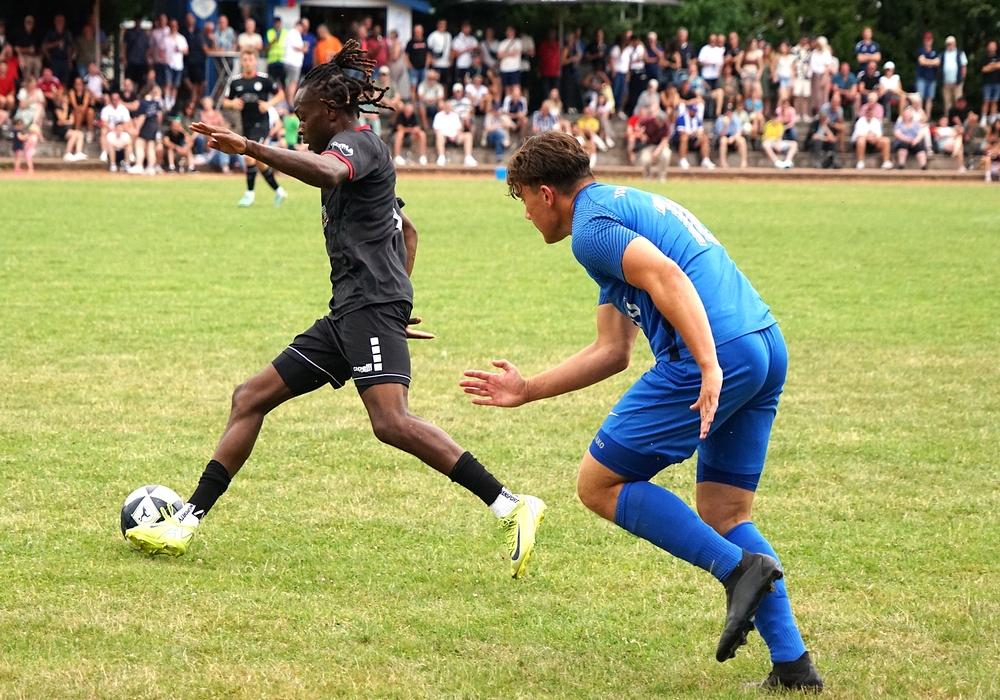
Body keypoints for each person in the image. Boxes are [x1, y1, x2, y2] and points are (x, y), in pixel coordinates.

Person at [129, 41, 547, 583]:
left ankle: (512, 505)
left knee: (391, 422)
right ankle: (186, 522)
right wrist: (398, 303)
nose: (298, 126)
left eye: (302, 116)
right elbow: (408, 231)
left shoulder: (356, 145)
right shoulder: (357, 152)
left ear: (330, 110)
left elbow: (328, 174)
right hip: (353, 311)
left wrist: (250, 147)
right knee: (249, 397)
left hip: (367, 308)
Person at [463, 131, 823, 692]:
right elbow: (613, 350)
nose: (526, 214)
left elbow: (667, 277)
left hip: (716, 355)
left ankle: (737, 570)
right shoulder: (620, 208)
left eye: (524, 200)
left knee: (597, 485)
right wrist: (527, 389)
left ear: (546, 193)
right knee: (726, 513)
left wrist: (708, 365)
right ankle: (794, 668)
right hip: (763, 345)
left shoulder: (592, 230)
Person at [223, 50, 288, 207]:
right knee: (258, 161)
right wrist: (232, 104)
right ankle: (279, 191)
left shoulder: (264, 80)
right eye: (245, 60)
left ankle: (249, 194)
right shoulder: (236, 82)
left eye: (250, 59)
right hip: (247, 125)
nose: (248, 63)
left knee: (248, 156)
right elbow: (225, 102)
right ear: (241, 62)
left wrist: (268, 104)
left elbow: (280, 95)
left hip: (261, 124)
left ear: (255, 62)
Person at [851, 97, 893, 169]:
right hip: (860, 142)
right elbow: (860, 135)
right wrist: (869, 137)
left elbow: (879, 135)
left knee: (886, 140)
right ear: (865, 113)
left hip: (873, 142)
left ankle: (886, 162)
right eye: (868, 113)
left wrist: (873, 138)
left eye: (871, 113)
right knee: (861, 140)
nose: (869, 114)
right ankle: (860, 162)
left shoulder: (876, 121)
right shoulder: (860, 121)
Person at [713, 103, 747, 168]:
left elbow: (739, 131)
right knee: (723, 140)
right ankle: (723, 162)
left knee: (742, 140)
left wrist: (733, 138)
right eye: (727, 111)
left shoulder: (736, 118)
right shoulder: (720, 119)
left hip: (733, 138)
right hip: (723, 138)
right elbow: (720, 134)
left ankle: (744, 162)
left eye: (730, 111)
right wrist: (725, 126)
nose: (728, 112)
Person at [941, 36, 968, 116]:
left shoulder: (960, 53)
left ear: (954, 44)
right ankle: (948, 117)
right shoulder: (943, 54)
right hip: (946, 81)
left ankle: (959, 117)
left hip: (957, 81)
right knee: (947, 101)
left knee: (958, 100)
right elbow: (940, 66)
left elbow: (964, 66)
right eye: (948, 44)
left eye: (951, 44)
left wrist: (962, 77)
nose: (949, 46)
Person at [916, 33, 940, 119]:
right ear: (924, 40)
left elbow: (938, 62)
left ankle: (927, 117)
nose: (928, 41)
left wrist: (927, 62)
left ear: (932, 40)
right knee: (920, 98)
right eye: (926, 40)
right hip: (921, 77)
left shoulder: (935, 51)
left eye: (929, 40)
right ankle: (920, 116)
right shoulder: (921, 50)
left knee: (929, 99)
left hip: (932, 78)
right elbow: (921, 61)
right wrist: (932, 62)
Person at [982, 41, 1000, 120]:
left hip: (997, 82)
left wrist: (991, 66)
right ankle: (983, 117)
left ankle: (993, 117)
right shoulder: (985, 58)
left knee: (994, 101)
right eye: (991, 46)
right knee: (986, 100)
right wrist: (995, 66)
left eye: (993, 46)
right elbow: (984, 69)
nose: (992, 47)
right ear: (988, 47)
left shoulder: (998, 57)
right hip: (987, 83)